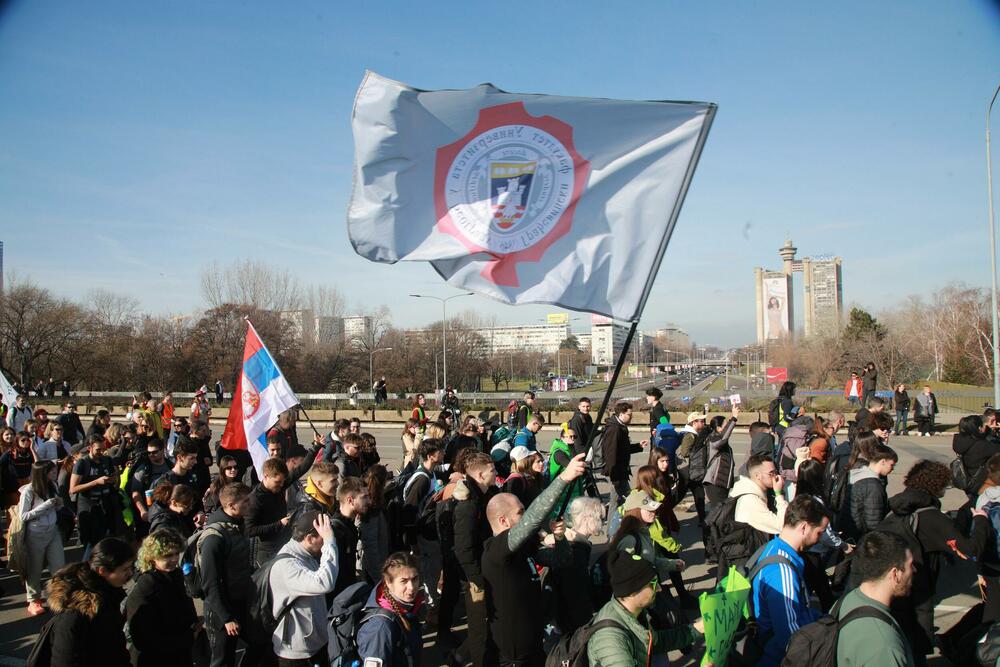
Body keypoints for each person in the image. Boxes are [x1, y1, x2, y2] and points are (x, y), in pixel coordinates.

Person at [481, 452, 588, 667]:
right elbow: (532, 520)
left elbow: (562, 559)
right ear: (503, 521)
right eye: (520, 512)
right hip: (514, 655)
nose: (525, 516)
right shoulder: (496, 551)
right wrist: (564, 478)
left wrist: (559, 537)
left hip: (535, 645)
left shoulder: (524, 546)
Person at [879, 460, 990, 663]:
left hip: (891, 583)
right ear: (936, 485)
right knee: (916, 643)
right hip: (917, 588)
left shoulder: (898, 506)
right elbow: (971, 550)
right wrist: (981, 520)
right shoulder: (931, 516)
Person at [586, 548, 704, 667]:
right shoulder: (611, 642)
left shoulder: (634, 611)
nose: (659, 588)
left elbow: (656, 642)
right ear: (632, 591)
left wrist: (698, 628)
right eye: (653, 584)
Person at [747, 495, 827, 667]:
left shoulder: (771, 548)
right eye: (819, 532)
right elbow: (792, 636)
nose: (819, 539)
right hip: (778, 659)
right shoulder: (781, 572)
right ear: (804, 527)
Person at [47, 537, 135, 667]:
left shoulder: (110, 594)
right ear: (102, 571)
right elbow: (65, 660)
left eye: (131, 567)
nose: (130, 573)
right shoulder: (75, 611)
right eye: (124, 569)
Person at [200, 482, 262, 667]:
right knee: (223, 659)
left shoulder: (237, 524)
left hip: (241, 600)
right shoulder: (214, 538)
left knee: (259, 642)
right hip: (222, 610)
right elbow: (210, 583)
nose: (250, 504)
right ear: (231, 506)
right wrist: (226, 618)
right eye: (245, 501)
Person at [833, 530, 917, 666]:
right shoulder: (884, 646)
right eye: (910, 565)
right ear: (895, 574)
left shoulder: (847, 600)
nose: (914, 570)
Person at [269, 511, 340, 667]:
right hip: (295, 654)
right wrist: (329, 542)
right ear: (309, 539)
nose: (326, 543)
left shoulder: (306, 554)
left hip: (315, 645)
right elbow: (325, 583)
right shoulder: (287, 566)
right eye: (323, 538)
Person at [452, 451, 499, 667]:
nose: (496, 473)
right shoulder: (468, 506)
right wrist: (477, 581)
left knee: (487, 625)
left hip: (486, 571)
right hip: (475, 580)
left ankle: (457, 658)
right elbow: (464, 550)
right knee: (479, 630)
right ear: (480, 475)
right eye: (492, 470)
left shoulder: (486, 495)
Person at [127, 528, 199, 667]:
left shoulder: (176, 576)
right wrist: (187, 638)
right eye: (167, 555)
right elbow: (144, 637)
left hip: (180, 653)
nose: (174, 559)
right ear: (152, 557)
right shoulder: (146, 586)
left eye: (176, 553)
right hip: (158, 659)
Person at [357, 551, 425, 667]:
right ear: (388, 583)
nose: (411, 587)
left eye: (415, 579)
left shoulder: (407, 608)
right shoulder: (380, 627)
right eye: (403, 581)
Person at [547, 496, 604, 635]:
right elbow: (575, 593)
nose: (601, 523)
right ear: (585, 519)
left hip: (565, 617)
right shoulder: (576, 549)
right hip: (574, 623)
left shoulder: (572, 543)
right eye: (598, 518)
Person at [18, 460, 65, 616]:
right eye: (51, 471)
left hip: (53, 531)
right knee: (34, 569)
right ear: (43, 473)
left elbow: (57, 507)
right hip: (35, 534)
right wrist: (45, 505)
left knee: (59, 566)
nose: (55, 473)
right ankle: (33, 599)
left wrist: (59, 503)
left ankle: (59, 596)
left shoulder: (53, 485)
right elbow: (23, 516)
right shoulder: (29, 491)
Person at [70, 435, 118, 559]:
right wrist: (96, 482)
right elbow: (73, 489)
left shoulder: (107, 460)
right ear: (90, 448)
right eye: (98, 450)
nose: (101, 452)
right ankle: (86, 566)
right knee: (91, 544)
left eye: (103, 449)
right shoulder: (82, 463)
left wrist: (113, 479)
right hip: (89, 508)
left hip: (106, 505)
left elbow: (113, 478)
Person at [603, 402, 648, 513]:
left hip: (620, 472)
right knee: (630, 502)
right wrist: (615, 477)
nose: (631, 417)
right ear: (621, 414)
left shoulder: (620, 427)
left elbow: (623, 449)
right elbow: (610, 454)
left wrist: (638, 446)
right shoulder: (614, 429)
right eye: (629, 414)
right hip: (618, 473)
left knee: (615, 503)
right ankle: (629, 522)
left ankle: (613, 524)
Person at [846, 443, 897, 541]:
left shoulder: (858, 472)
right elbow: (873, 521)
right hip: (861, 537)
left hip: (850, 530)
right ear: (883, 461)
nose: (892, 469)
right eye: (892, 465)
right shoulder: (873, 486)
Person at [732, 452, 789, 540]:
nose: (776, 476)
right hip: (750, 547)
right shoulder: (751, 501)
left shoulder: (750, 490)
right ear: (758, 476)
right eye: (771, 473)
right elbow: (782, 525)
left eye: (776, 472)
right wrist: (779, 494)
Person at [331, 476, 370, 596]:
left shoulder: (349, 525)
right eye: (364, 497)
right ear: (350, 501)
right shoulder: (335, 532)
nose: (369, 501)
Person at [952, 414, 1000, 500]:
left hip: (969, 480)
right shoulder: (981, 446)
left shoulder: (962, 441)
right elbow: (997, 447)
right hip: (981, 483)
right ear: (979, 428)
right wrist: (992, 432)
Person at [702, 405, 740, 511]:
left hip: (722, 482)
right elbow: (723, 437)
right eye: (725, 425)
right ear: (718, 428)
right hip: (714, 483)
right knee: (717, 511)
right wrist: (734, 418)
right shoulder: (713, 439)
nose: (727, 427)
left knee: (721, 511)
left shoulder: (722, 442)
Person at [360, 465, 391, 584]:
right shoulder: (372, 508)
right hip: (374, 569)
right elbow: (370, 545)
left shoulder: (372, 503)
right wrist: (379, 577)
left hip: (375, 565)